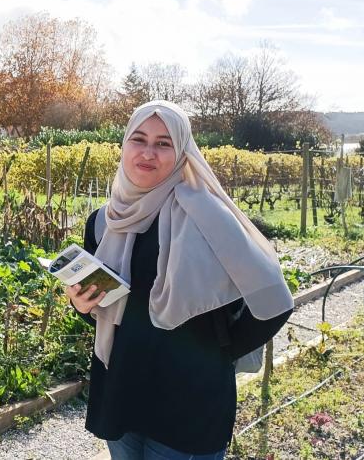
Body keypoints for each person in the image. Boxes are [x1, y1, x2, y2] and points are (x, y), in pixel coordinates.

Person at [65, 100, 294, 460]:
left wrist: (218, 355)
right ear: (124, 145)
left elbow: (275, 302)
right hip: (122, 388)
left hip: (189, 403)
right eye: (139, 139)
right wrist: (81, 304)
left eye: (164, 143)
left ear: (183, 152)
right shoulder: (105, 220)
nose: (148, 153)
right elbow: (110, 309)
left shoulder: (207, 215)